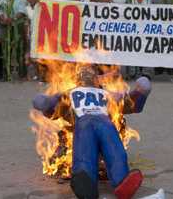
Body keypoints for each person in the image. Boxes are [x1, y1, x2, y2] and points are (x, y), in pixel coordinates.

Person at [33, 65, 152, 199]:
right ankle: (109, 180)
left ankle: (111, 182)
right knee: (108, 150)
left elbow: (49, 105)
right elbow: (131, 103)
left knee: (96, 151)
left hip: (91, 123)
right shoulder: (102, 93)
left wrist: (139, 92)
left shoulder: (73, 93)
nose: (87, 75)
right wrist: (141, 91)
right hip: (98, 124)